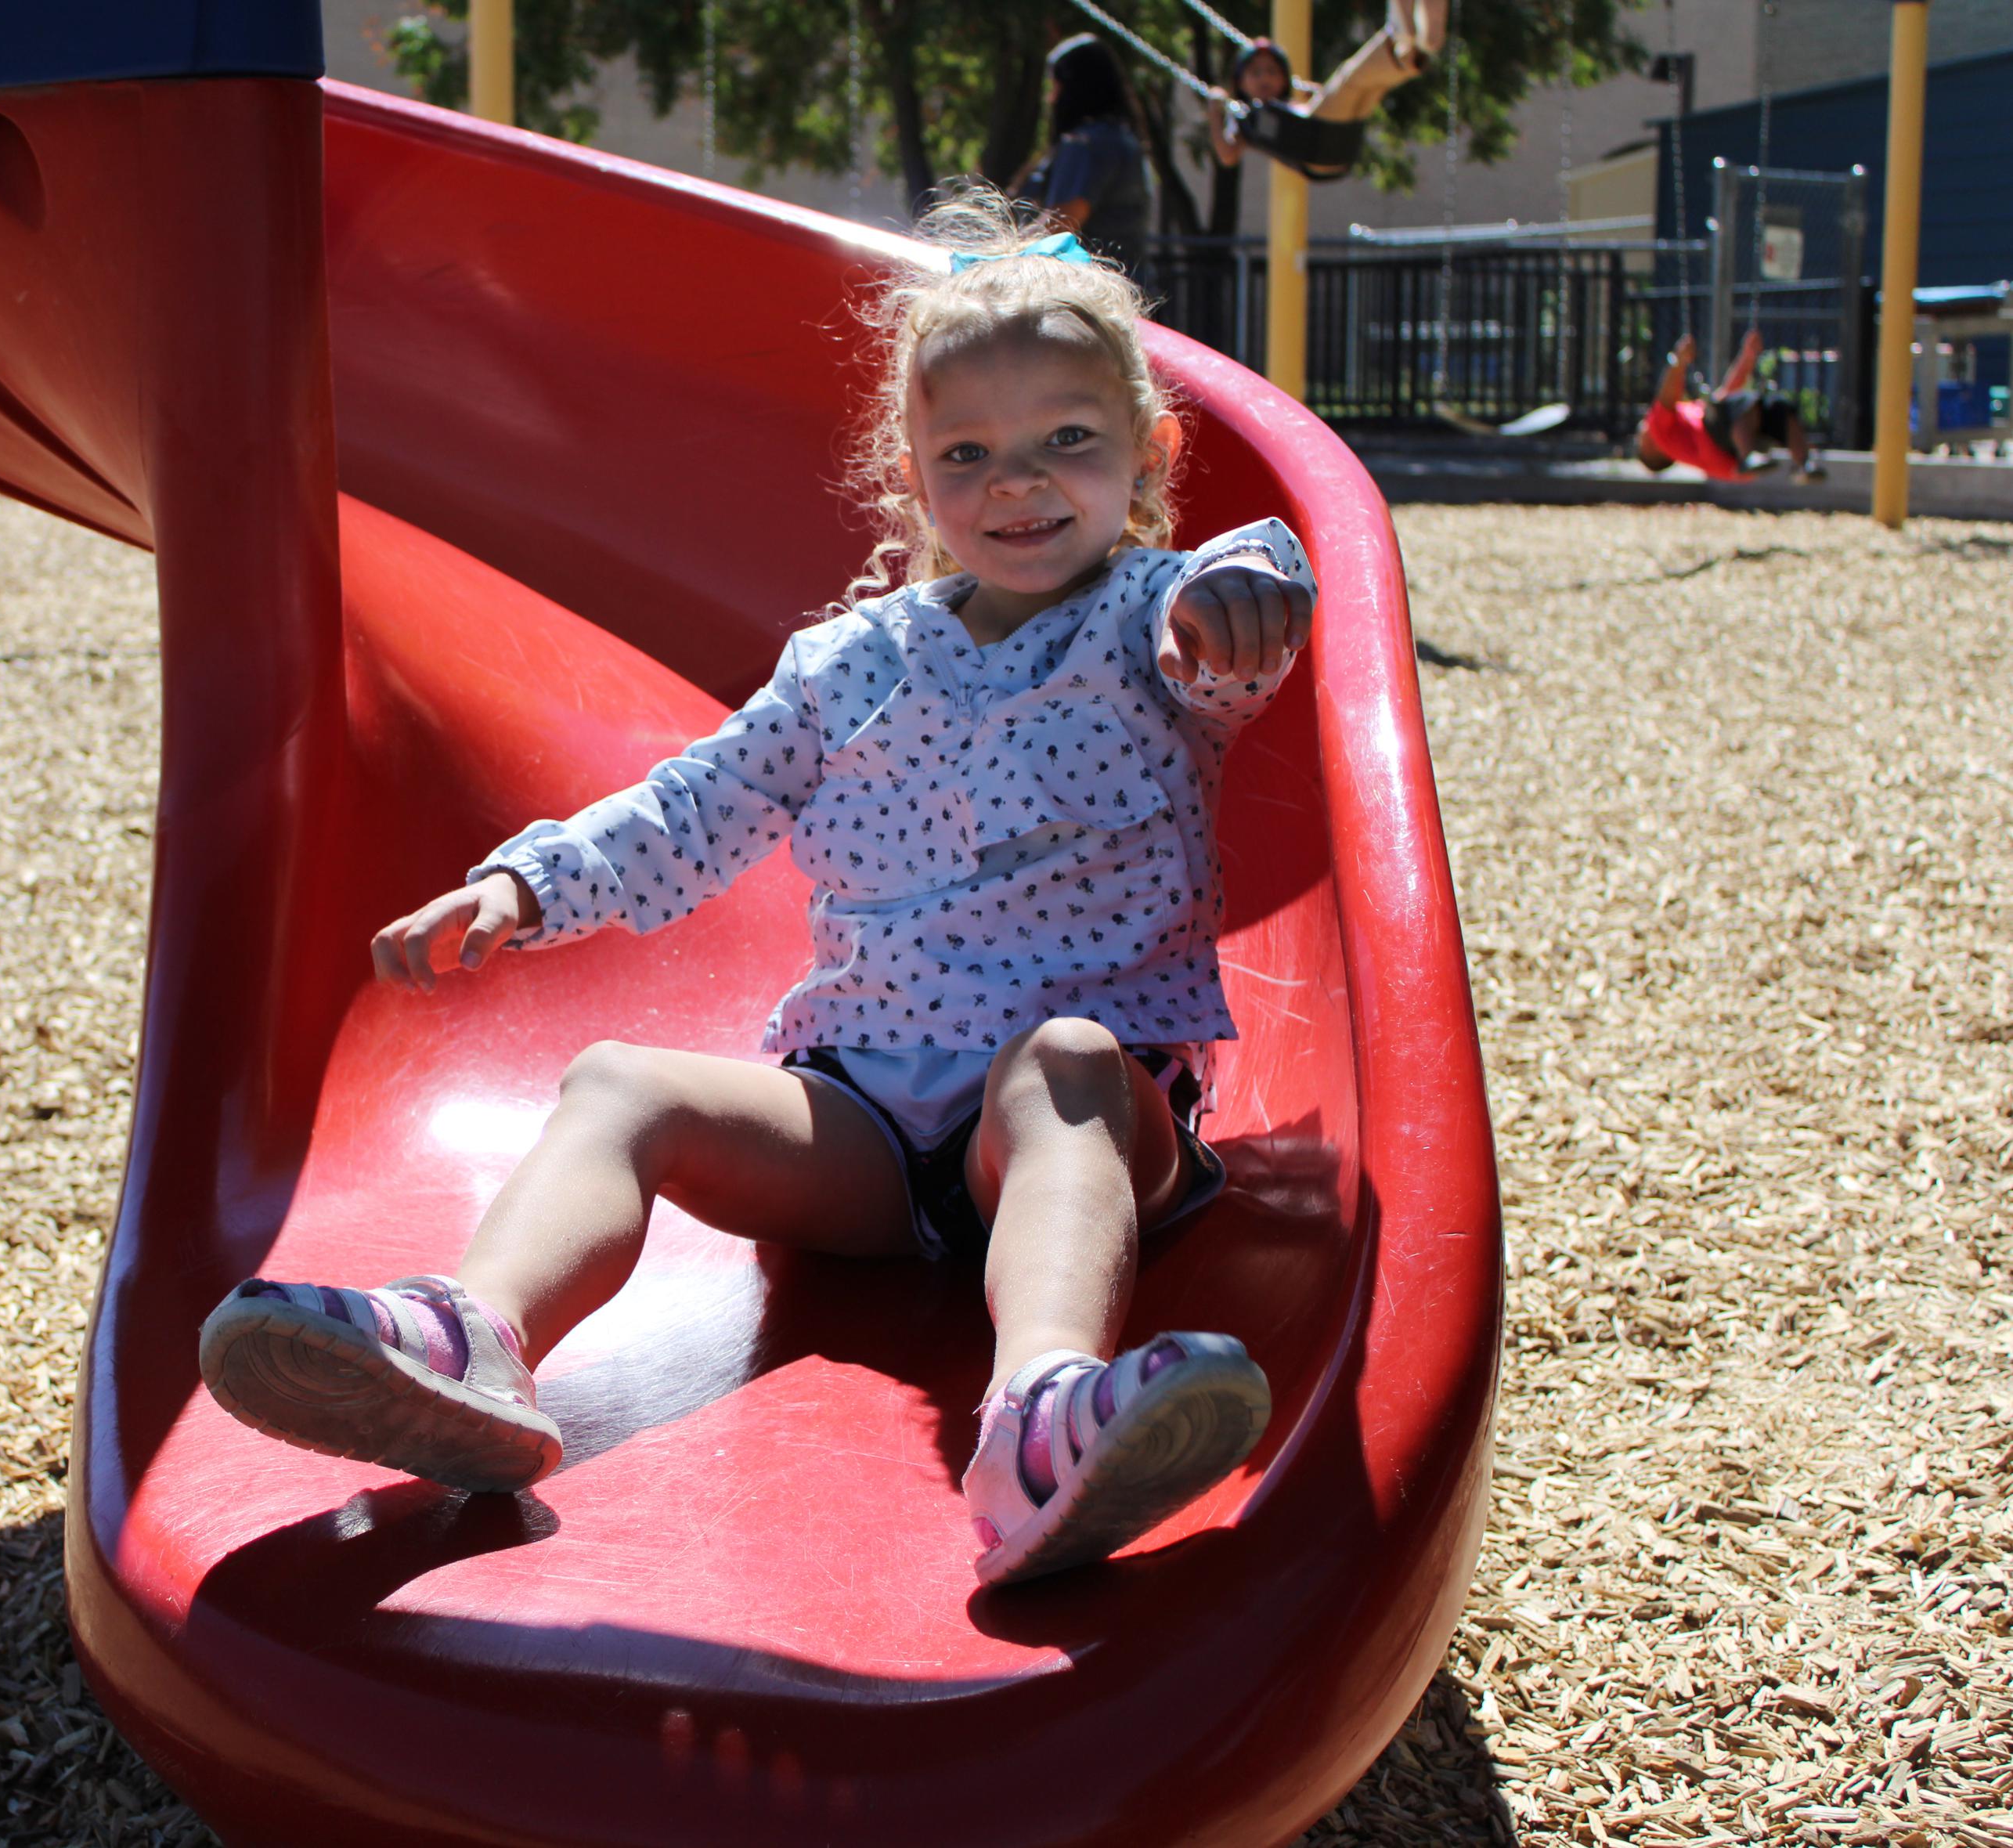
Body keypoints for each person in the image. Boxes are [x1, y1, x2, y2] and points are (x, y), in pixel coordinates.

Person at [197, 192, 1319, 1590]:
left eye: (1067, 444)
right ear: (910, 474)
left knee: (1066, 1062)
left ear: (1146, 453)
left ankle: (1040, 1420)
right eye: (966, 453)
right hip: (861, 1127)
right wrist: (529, 882)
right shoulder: (847, 666)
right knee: (618, 1081)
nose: (1018, 486)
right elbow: (698, 805)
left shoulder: (1154, 621)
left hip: (1064, 1131)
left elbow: (1239, 617)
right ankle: (469, 1344)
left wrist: (1255, 575)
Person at [1206, 0, 1450, 179]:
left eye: (1272, 72)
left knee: (1375, 84)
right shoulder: (1246, 120)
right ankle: (1398, 36)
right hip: (1318, 144)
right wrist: (1216, 113)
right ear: (1240, 83)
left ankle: (1415, 52)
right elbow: (1228, 156)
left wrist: (1313, 93)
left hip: (1338, 144)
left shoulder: (1290, 105)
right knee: (1350, 80)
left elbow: (1314, 104)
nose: (1265, 78)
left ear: (1284, 81)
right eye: (1256, 73)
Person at [1021, 34, 1153, 276]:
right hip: (1127, 290)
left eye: (1054, 87)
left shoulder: (1086, 145)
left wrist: (1002, 254)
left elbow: (1059, 229)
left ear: (1073, 86)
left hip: (1090, 294)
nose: (1051, 98)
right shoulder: (1124, 139)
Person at [1636, 330, 1822, 482]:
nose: (1641, 427)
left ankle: (1805, 465)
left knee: (1777, 408)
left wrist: (1747, 357)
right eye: (1639, 438)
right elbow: (1667, 397)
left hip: (1730, 447)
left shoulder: (1681, 434)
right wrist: (1678, 362)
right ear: (1651, 449)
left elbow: (1726, 394)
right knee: (1738, 406)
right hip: (1723, 444)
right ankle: (1751, 456)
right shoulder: (1659, 435)